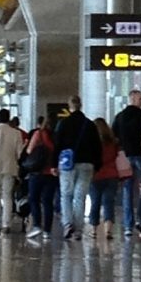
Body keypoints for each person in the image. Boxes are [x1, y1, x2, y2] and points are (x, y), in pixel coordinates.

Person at [53, 96, 101, 240]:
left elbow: (57, 145)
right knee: (80, 197)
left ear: (70, 107)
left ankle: (68, 224)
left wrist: (53, 164)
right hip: (87, 164)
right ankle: (78, 230)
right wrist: (97, 165)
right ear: (81, 105)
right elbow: (97, 147)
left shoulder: (63, 123)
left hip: (67, 164)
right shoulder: (90, 125)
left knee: (66, 195)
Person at [113, 89, 141, 238]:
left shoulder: (120, 117)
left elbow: (114, 138)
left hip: (125, 157)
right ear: (133, 99)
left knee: (128, 190)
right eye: (140, 99)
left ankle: (128, 226)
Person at [25, 118, 58, 240]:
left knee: (34, 199)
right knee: (48, 202)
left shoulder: (39, 133)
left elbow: (29, 150)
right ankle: (47, 231)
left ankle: (37, 225)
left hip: (37, 172)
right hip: (52, 172)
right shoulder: (57, 136)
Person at [88, 117, 119, 240]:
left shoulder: (92, 143)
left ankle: (94, 230)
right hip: (112, 175)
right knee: (109, 203)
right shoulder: (113, 142)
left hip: (96, 176)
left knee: (95, 203)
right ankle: (108, 231)